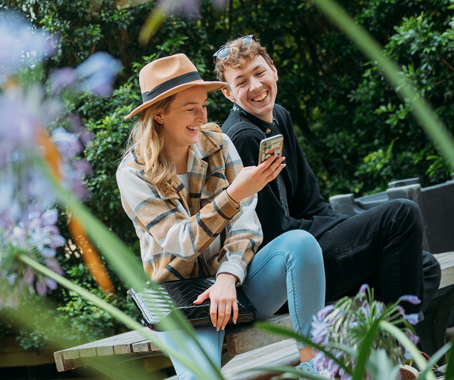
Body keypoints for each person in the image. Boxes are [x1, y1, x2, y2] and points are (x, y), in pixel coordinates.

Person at [117, 54, 328, 380]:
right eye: (191, 108)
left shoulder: (218, 143)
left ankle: (315, 370)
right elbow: (179, 242)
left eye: (203, 104)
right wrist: (233, 195)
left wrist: (228, 277)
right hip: (183, 301)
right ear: (159, 114)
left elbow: (246, 224)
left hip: (238, 284)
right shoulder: (134, 172)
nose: (202, 116)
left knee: (301, 244)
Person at [213, 35, 441, 325]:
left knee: (425, 267)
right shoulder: (243, 136)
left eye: (259, 73)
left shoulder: (279, 117)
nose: (256, 87)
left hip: (313, 246)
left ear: (273, 70)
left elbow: (310, 201)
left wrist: (348, 231)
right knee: (401, 214)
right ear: (229, 94)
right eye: (242, 82)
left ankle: (382, 351)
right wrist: (350, 231)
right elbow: (271, 232)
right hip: (287, 272)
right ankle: (402, 347)